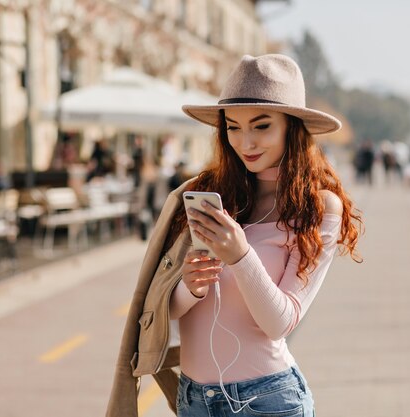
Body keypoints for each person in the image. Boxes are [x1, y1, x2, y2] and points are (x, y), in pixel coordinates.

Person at [106, 54, 362, 417]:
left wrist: (241, 256)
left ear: (292, 127)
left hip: (268, 401)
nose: (246, 142)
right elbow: (166, 311)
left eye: (261, 126)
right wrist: (190, 287)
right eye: (233, 127)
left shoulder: (319, 208)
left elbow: (279, 323)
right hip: (194, 399)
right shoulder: (209, 193)